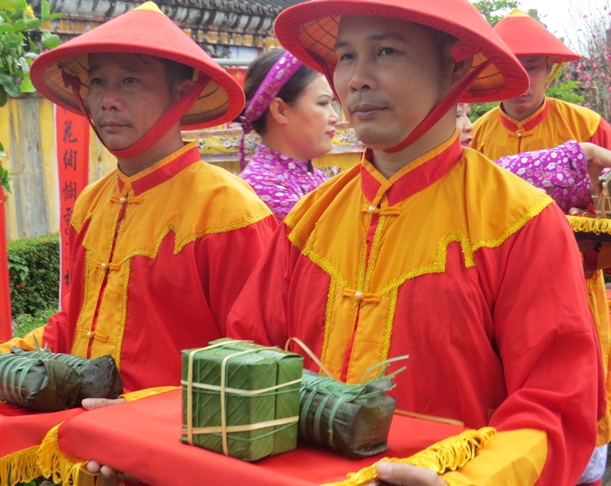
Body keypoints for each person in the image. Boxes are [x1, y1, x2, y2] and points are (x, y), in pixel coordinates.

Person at [227, 0, 605, 484]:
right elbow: (244, 363)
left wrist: (465, 480)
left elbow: (554, 407)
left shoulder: (522, 222)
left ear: (456, 66)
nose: (357, 79)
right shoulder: (309, 220)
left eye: (385, 51)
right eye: (346, 57)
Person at [0, 3, 276, 394]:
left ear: (182, 93)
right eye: (97, 82)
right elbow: (73, 324)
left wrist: (140, 414)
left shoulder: (228, 211)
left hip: (167, 445)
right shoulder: (91, 205)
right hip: (79, 430)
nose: (108, 100)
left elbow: (257, 361)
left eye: (130, 81)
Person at [470, 10, 611, 485]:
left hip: (580, 279)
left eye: (534, 66)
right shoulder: (478, 132)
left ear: (550, 70)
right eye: (512, 64)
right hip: (500, 292)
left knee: (579, 388)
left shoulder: (587, 125)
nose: (523, 78)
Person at [471, 8, 611, 157]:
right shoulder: (473, 137)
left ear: (549, 67)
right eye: (508, 69)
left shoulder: (588, 127)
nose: (522, 81)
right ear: (492, 72)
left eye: (531, 68)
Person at [238, 49, 339, 223]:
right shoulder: (265, 189)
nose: (334, 117)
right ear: (280, 110)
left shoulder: (315, 176)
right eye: (322, 103)